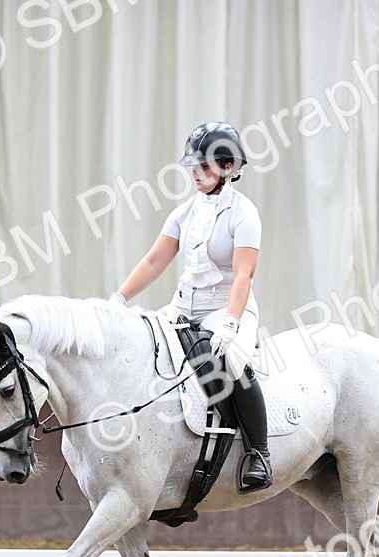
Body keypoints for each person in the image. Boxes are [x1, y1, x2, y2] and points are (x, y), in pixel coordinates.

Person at [109, 121, 272, 492]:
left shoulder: (244, 214)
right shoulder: (185, 213)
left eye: (204, 167)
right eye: (193, 167)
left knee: (231, 362)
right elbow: (154, 262)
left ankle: (258, 452)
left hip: (228, 308)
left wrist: (231, 323)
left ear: (228, 168)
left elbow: (244, 274)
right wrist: (119, 298)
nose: (195, 174)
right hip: (183, 307)